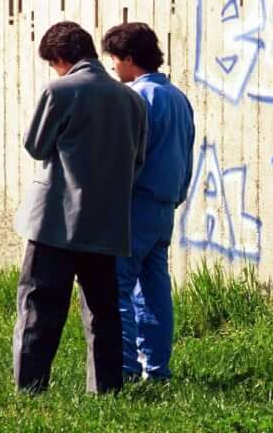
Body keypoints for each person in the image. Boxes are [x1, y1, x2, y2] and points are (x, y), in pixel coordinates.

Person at [12, 21, 148, 394]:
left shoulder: (59, 91)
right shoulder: (132, 101)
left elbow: (36, 146)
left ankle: (30, 386)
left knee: (39, 305)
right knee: (103, 311)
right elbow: (137, 161)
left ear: (61, 58)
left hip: (55, 220)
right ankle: (105, 388)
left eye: (53, 63)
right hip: (105, 223)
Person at [102, 22, 195, 381]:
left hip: (135, 203)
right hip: (165, 205)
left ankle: (124, 367)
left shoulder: (136, 98)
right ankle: (156, 369)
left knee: (117, 287)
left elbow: (128, 157)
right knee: (154, 289)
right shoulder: (178, 97)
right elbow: (187, 152)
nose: (113, 66)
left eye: (114, 58)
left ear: (129, 58)